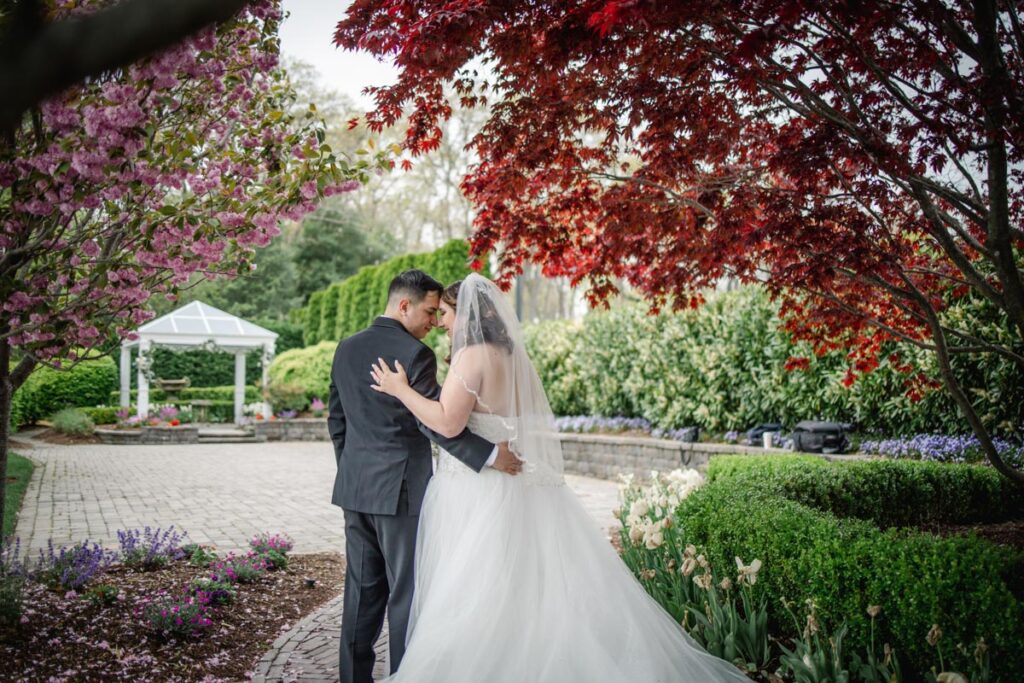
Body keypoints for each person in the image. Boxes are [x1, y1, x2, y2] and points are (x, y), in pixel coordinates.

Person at [368, 273, 751, 682]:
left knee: (479, 589)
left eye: (444, 313)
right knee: (528, 583)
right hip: (519, 483)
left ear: (465, 313)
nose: (442, 322)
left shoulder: (470, 355)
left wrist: (401, 390)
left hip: (478, 489)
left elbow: (446, 423)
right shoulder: (510, 354)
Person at [328, 269, 522, 683]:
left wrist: (352, 471)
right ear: (404, 306)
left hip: (355, 490)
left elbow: (337, 421)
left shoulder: (346, 348)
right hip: (401, 493)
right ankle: (404, 675)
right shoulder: (414, 354)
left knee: (360, 596)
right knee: (406, 597)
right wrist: (489, 455)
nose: (434, 322)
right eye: (430, 312)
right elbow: (436, 424)